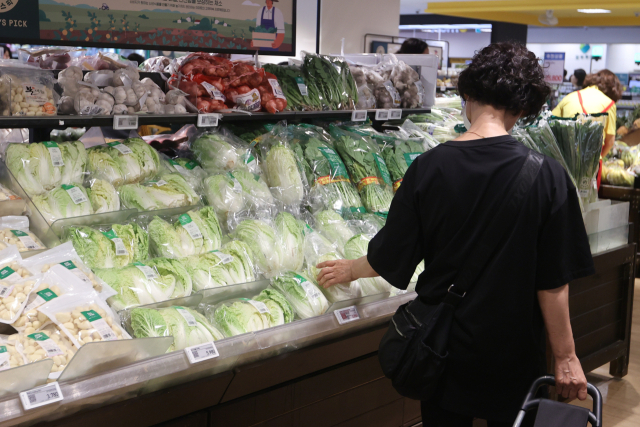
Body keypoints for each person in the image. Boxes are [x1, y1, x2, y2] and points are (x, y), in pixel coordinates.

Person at [317, 43, 594, 427]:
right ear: (521, 108)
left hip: (442, 350)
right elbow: (553, 284)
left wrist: (349, 270)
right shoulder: (548, 177)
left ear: (467, 96)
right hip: (512, 354)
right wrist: (566, 357)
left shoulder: (428, 167)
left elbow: (393, 255)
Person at [553, 69, 622, 160]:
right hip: (590, 162)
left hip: (564, 158)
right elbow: (610, 142)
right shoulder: (609, 103)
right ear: (613, 89)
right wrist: (598, 159)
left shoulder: (569, 97)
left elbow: (550, 124)